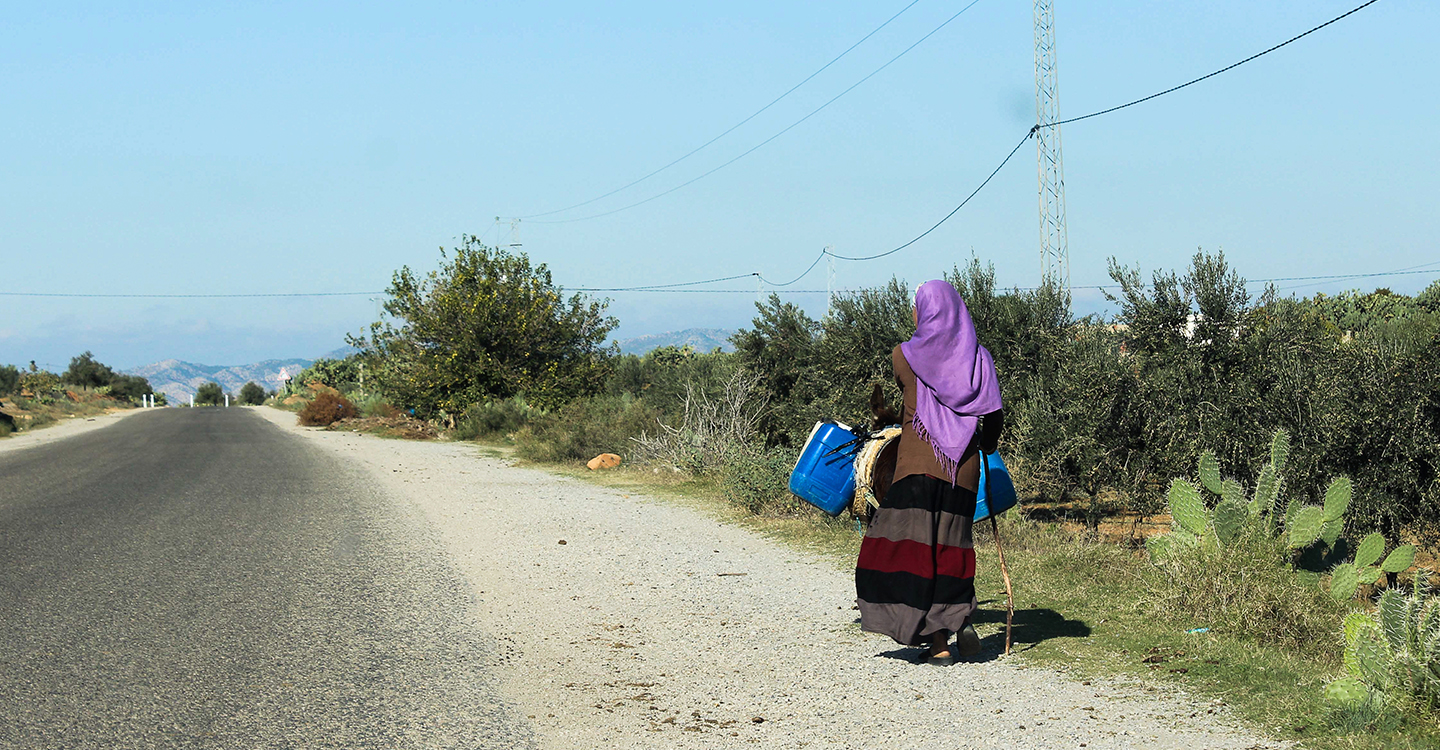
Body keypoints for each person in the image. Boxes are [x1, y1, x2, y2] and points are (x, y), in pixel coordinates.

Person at [855, 279, 1004, 665]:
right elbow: (994, 416)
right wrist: (984, 445)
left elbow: (908, 394)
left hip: (918, 464)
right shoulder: (980, 358)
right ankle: (958, 614)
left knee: (910, 550)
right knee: (952, 546)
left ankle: (938, 642)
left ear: (923, 311)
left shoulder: (903, 355)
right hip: (964, 469)